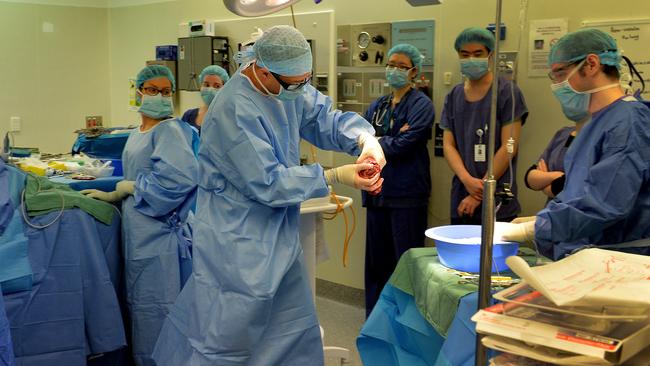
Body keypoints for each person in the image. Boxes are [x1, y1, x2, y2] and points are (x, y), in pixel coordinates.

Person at [152, 25, 385, 366]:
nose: (302, 89)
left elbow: (322, 118)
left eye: (307, 80)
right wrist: (334, 175)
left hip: (278, 236)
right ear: (261, 70)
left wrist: (364, 140)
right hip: (238, 242)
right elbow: (268, 182)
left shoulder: (286, 87)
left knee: (290, 332)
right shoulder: (233, 108)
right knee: (230, 337)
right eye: (296, 83)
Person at [82, 65, 199, 366]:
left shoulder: (170, 130)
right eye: (152, 90)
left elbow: (179, 181)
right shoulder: (138, 133)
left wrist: (131, 187)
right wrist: (114, 191)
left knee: (159, 312)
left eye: (165, 91)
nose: (159, 96)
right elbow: (139, 173)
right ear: (138, 92)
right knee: (142, 310)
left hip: (158, 236)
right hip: (139, 233)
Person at [501, 29, 650, 260]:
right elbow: (576, 193)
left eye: (560, 73)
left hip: (620, 260)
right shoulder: (594, 124)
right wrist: (542, 218)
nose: (556, 85)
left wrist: (532, 229)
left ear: (591, 64)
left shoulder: (629, 121)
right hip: (588, 256)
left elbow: (606, 204)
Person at [362, 43, 435, 317]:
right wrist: (383, 140)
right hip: (377, 193)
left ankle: (406, 321)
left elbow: (405, 143)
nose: (393, 70)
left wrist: (378, 141)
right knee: (376, 264)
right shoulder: (378, 105)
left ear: (413, 71)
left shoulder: (422, 105)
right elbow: (363, 139)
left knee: (405, 263)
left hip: (407, 195)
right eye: (390, 64)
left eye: (400, 66)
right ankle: (375, 318)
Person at [441, 27, 529, 224]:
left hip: (496, 196)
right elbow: (449, 145)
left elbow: (509, 146)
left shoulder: (507, 93)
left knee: (495, 253)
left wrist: (478, 193)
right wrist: (466, 180)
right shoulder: (454, 96)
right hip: (461, 193)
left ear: (490, 55)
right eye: (465, 54)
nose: (471, 58)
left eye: (477, 54)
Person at [524, 124, 580, 202]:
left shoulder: (597, 140)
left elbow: (574, 188)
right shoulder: (563, 133)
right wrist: (556, 176)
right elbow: (530, 177)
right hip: (551, 211)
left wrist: (544, 181)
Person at [181, 65, 230, 132]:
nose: (210, 89)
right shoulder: (188, 116)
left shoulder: (230, 119)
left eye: (217, 86)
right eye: (206, 85)